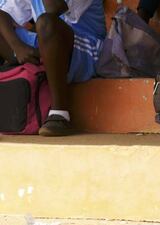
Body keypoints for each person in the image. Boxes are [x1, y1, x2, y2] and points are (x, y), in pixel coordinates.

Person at [0, 0, 106, 136]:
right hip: (48, 41)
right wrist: (17, 47)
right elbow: (3, 14)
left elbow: (53, 8)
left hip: (86, 51)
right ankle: (27, 70)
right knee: (10, 29)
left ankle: (59, 114)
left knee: (46, 23)